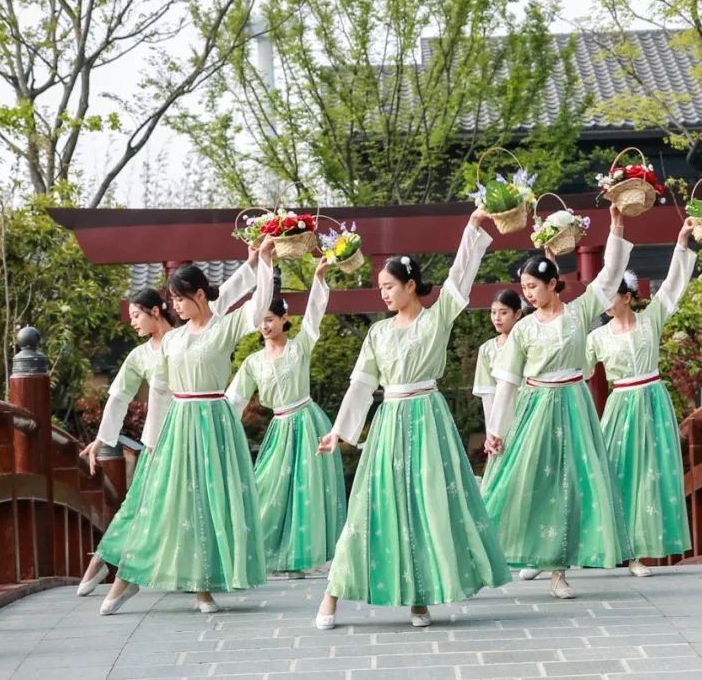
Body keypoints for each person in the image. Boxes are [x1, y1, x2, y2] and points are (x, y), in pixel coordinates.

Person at [312, 209, 510, 630]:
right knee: (370, 504)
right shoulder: (378, 334)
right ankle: (331, 595)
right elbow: (361, 386)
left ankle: (419, 598)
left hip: (428, 416)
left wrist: (472, 226)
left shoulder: (436, 318)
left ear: (411, 285)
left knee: (429, 503)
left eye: (389, 286)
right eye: (380, 287)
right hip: (390, 421)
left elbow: (460, 278)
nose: (383, 294)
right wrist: (339, 432)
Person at [96, 238, 276, 616]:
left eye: (179, 298)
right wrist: (120, 438)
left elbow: (257, 305)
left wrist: (263, 263)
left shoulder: (223, 328)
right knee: (165, 502)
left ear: (198, 295)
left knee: (208, 504)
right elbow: (154, 390)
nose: (174, 306)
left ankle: (203, 588)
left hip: (215, 421)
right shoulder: (172, 339)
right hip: (179, 424)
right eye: (171, 300)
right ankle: (126, 577)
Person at [481, 203, 632, 599]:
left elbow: (610, 274)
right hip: (535, 407)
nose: (527, 295)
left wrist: (616, 224)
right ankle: (522, 553)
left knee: (571, 484)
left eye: (532, 287)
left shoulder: (580, 313)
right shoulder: (524, 329)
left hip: (573, 405)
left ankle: (559, 571)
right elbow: (507, 382)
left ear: (552, 285)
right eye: (525, 288)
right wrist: (496, 431)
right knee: (530, 480)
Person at [586, 218, 696, 575]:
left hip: (651, 400)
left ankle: (642, 552)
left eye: (611, 295)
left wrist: (682, 241)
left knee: (651, 474)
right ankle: (620, 550)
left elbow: (674, 285)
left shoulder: (651, 320)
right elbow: (574, 370)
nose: (606, 302)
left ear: (628, 296)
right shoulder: (597, 338)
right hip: (620, 406)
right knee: (617, 474)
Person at [225, 257, 346, 578]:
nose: (264, 326)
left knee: (306, 488)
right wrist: (220, 429)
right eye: (261, 320)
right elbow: (234, 399)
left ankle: (301, 557)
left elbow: (315, 316)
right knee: (268, 485)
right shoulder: (253, 362)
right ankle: (267, 553)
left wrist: (319, 278)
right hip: (279, 427)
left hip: (307, 421)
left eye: (270, 319)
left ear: (283, 318)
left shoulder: (300, 347)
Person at [473, 290, 525, 439]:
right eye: (493, 312)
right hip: (501, 415)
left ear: (517, 314)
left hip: (528, 409)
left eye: (503, 313)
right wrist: (492, 431)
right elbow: (488, 394)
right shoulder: (487, 350)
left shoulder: (527, 343)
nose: (497, 318)